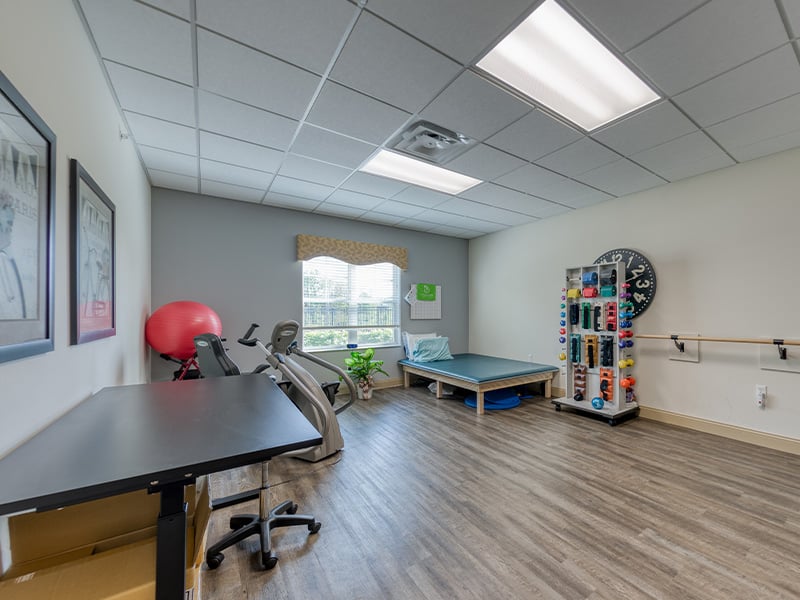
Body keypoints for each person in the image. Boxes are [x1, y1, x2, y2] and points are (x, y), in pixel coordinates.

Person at [0, 190, 25, 319]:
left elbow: (9, 226)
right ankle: (9, 295)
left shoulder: (10, 212)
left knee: (10, 270)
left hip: (6, 243)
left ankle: (12, 296)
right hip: (3, 242)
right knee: (3, 270)